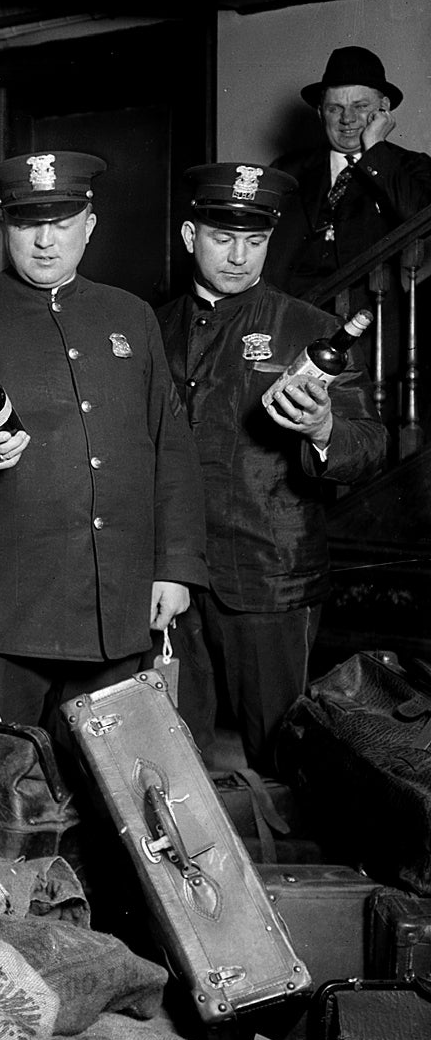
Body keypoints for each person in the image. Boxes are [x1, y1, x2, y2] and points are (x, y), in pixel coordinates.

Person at [0, 150, 207, 731]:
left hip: (116, 608)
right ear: (6, 226)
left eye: (61, 225)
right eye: (28, 225)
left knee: (113, 799)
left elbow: (172, 450)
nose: (45, 242)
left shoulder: (131, 317)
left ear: (88, 226)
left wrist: (176, 568)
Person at [156, 162, 385, 773]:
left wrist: (323, 428)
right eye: (222, 238)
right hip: (172, 579)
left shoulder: (309, 329)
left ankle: (283, 871)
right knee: (171, 760)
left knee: (283, 759)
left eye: (254, 241)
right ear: (189, 237)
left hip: (270, 580)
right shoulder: (149, 330)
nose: (239, 256)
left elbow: (369, 443)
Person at [270, 46, 431, 301]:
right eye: (335, 108)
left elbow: (422, 223)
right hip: (294, 320)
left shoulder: (411, 166)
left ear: (384, 108)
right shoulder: (287, 170)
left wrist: (375, 147)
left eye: (360, 106)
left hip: (375, 326)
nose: (347, 118)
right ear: (321, 112)